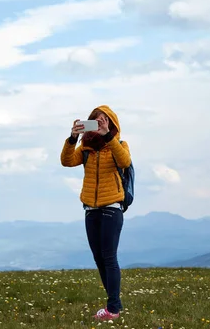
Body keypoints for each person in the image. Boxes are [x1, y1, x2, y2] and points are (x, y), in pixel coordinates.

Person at [60, 105, 131, 322]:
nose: (99, 123)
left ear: (112, 123)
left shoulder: (119, 145)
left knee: (109, 257)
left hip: (111, 208)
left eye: (104, 120)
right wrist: (72, 138)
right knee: (99, 258)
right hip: (90, 209)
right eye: (96, 120)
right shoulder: (86, 148)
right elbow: (66, 161)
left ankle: (113, 308)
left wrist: (107, 136)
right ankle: (113, 303)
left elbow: (124, 162)